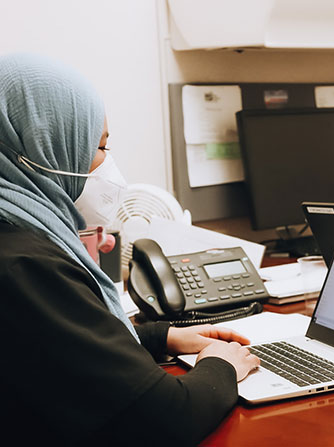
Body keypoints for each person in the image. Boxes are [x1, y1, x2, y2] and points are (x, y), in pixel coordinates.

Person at [0, 53, 260, 446]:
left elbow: (57, 350)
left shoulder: (15, 237)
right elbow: (165, 419)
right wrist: (219, 366)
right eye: (98, 146)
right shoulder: (24, 265)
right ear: (38, 147)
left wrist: (160, 337)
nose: (109, 165)